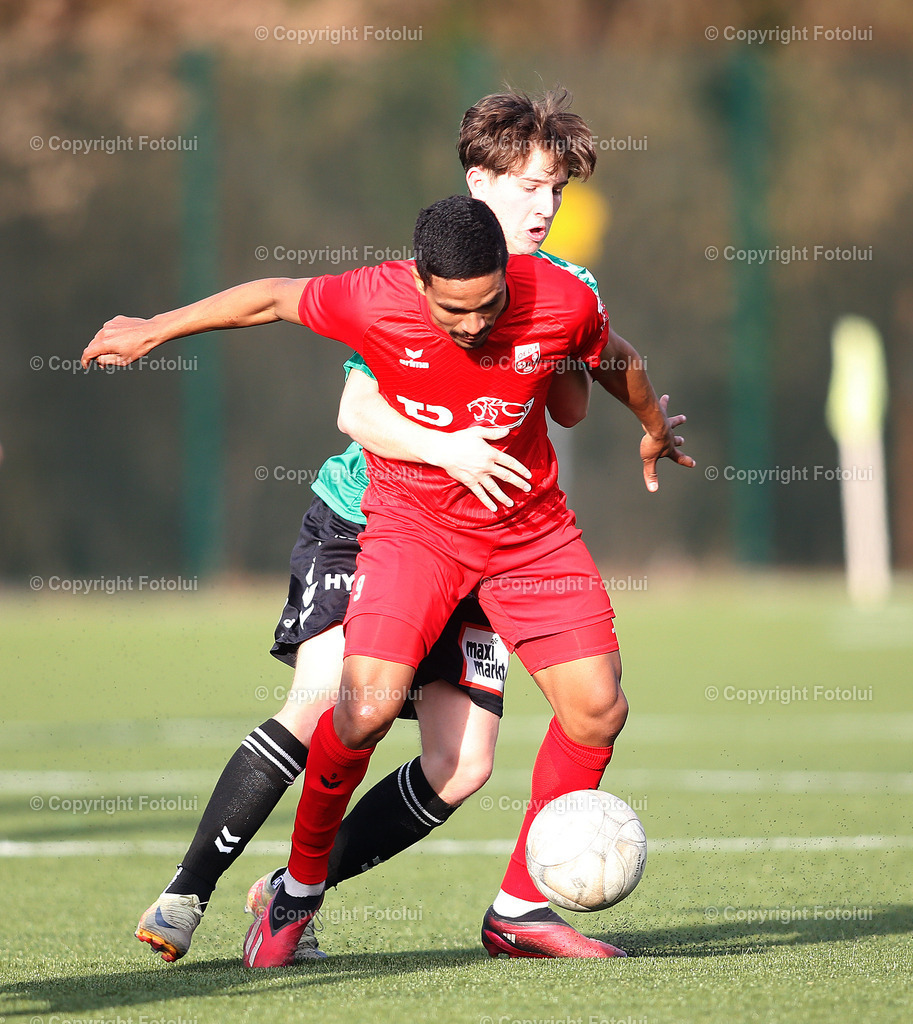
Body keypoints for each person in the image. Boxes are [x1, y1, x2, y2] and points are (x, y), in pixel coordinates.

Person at [85, 91, 692, 964]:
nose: (476, 326)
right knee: (352, 708)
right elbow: (281, 316)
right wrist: (158, 327)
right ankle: (266, 891)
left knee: (582, 715)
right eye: (532, 185)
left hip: (526, 535)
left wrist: (652, 427)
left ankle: (520, 911)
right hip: (402, 525)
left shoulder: (561, 292)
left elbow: (612, 361)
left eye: (557, 188)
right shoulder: (381, 294)